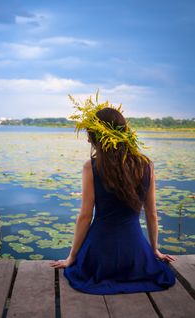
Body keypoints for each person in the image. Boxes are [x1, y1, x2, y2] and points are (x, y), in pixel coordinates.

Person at [49, 93, 177, 294]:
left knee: (82, 273)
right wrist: (153, 250)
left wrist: (71, 257)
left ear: (96, 135)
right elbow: (152, 214)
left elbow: (84, 216)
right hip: (135, 254)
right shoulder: (146, 165)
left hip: (99, 255)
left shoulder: (91, 167)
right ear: (124, 131)